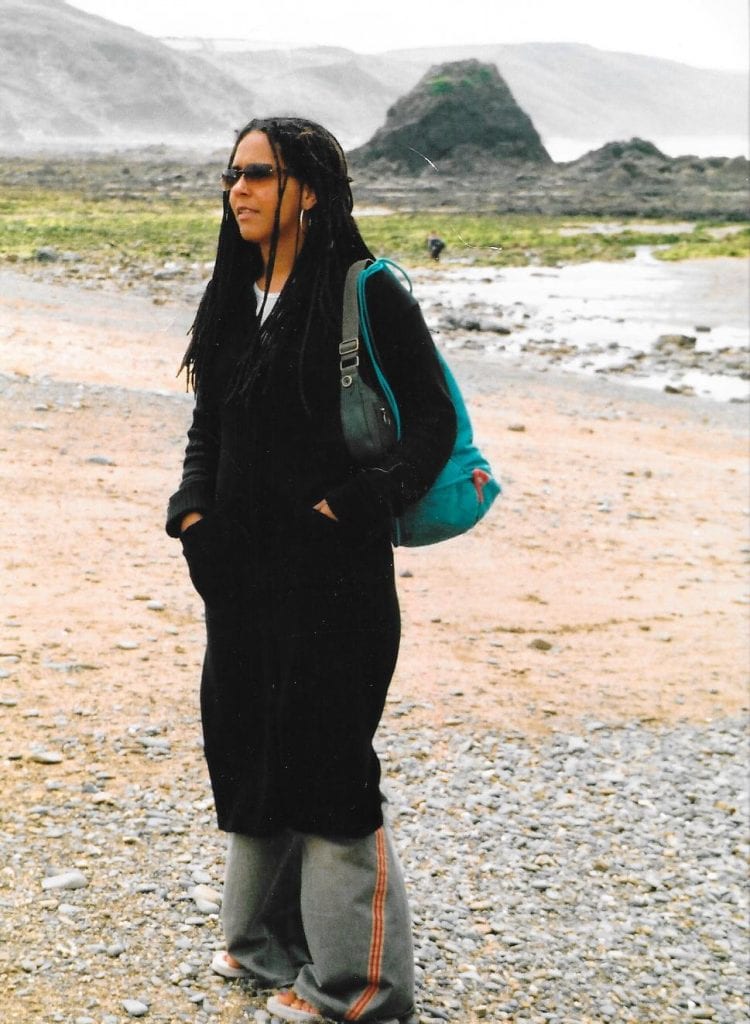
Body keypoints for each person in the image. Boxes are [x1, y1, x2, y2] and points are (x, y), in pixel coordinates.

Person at [165, 116, 456, 1024]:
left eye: (259, 175)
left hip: (336, 582)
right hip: (239, 580)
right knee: (251, 742)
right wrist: (192, 513)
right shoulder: (234, 294)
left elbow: (433, 427)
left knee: (329, 765)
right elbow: (209, 428)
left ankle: (357, 991)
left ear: (311, 193)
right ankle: (261, 950)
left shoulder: (363, 294)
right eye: (231, 174)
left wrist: (351, 507)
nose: (238, 190)